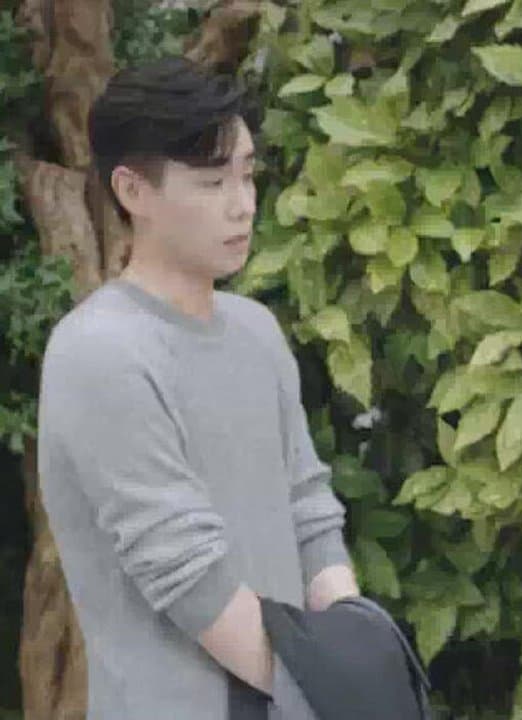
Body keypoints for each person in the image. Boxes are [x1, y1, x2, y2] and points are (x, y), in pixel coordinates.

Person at [37, 56, 360, 718]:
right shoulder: (100, 352)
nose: (243, 204)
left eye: (247, 174)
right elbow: (190, 579)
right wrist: (339, 693)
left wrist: (358, 651)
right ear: (133, 190)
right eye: (213, 182)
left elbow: (309, 511)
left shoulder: (255, 330)